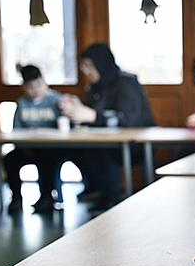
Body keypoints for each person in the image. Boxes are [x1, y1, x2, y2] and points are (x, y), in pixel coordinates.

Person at [59, 43, 156, 212]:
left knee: (99, 149)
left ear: (101, 62)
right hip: (106, 141)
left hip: (136, 143)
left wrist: (92, 115)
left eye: (89, 65)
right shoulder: (94, 87)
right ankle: (96, 188)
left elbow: (127, 119)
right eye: (84, 66)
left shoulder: (126, 82)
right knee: (73, 148)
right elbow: (92, 113)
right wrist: (76, 106)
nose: (86, 71)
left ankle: (110, 196)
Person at [4, 64, 63, 214]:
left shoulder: (57, 100)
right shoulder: (22, 104)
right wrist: (24, 146)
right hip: (27, 147)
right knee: (10, 159)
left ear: (45, 82)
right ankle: (16, 197)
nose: (36, 90)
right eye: (31, 87)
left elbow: (64, 126)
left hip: (51, 147)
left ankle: (46, 196)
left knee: (46, 158)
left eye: (38, 85)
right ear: (24, 87)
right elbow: (15, 131)